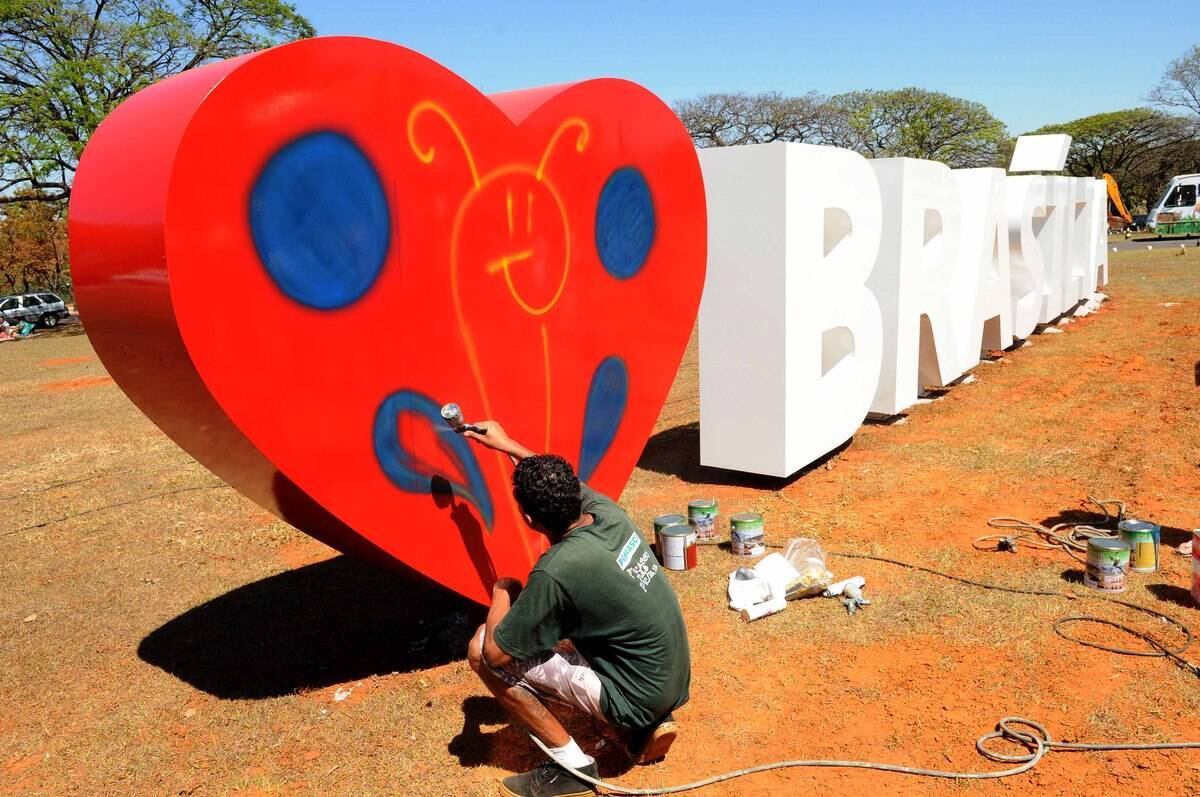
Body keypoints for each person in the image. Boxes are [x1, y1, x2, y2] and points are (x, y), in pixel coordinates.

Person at [463, 420, 690, 797]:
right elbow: (558, 480)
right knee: (579, 624)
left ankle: (575, 768)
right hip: (670, 676)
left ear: (530, 520)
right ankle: (645, 725)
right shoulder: (606, 513)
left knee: (480, 650)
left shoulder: (556, 570)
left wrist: (503, 589)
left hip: (638, 695)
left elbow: (496, 653)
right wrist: (508, 444)